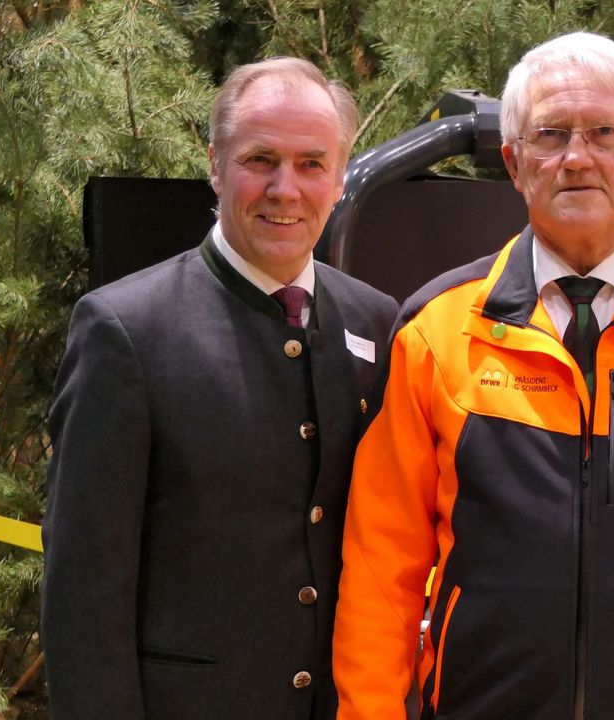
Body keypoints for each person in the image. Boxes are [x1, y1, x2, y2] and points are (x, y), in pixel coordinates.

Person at [333, 31, 614, 720]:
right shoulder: (434, 328)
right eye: (550, 135)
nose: (577, 158)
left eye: (604, 133)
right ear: (516, 165)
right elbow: (380, 566)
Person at [41, 57, 398, 720]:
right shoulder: (127, 330)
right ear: (214, 163)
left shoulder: (379, 321)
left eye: (311, 163)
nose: (284, 189)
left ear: (340, 174)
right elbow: (84, 596)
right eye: (260, 159)